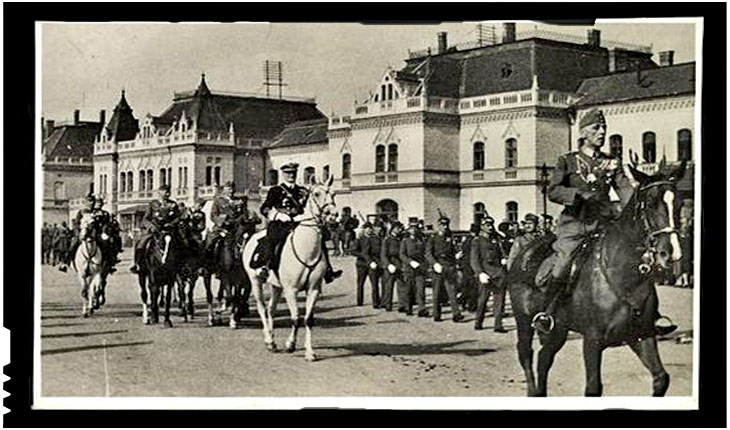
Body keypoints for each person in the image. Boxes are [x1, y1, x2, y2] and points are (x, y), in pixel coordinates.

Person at [532, 108, 674, 335]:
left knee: (636, 259)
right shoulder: (568, 161)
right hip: (575, 225)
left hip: (605, 223)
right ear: (584, 132)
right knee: (563, 263)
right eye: (596, 128)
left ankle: (652, 315)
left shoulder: (612, 162)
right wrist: (576, 195)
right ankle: (547, 313)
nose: (602, 132)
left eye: (604, 128)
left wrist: (637, 200)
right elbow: (553, 191)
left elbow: (625, 191)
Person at [250, 162, 342, 283]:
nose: (291, 176)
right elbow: (265, 208)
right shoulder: (275, 190)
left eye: (293, 173)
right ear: (283, 174)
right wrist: (278, 215)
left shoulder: (302, 191)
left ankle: (328, 270)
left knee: (318, 240)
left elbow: (309, 206)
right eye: (288, 173)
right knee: (272, 239)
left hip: (299, 222)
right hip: (280, 223)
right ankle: (264, 266)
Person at [129, 184, 180, 274]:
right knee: (141, 243)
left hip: (168, 231)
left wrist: (171, 224)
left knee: (182, 243)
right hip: (154, 231)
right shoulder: (153, 204)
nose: (167, 194)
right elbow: (146, 219)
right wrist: (151, 226)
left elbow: (177, 218)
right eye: (165, 192)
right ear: (159, 193)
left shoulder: (173, 204)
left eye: (168, 192)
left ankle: (182, 266)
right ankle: (137, 264)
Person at [471, 216, 508, 333]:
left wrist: (503, 259)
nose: (490, 227)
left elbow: (502, 252)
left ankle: (498, 324)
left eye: (491, 225)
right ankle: (478, 321)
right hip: (486, 272)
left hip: (498, 272)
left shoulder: (496, 239)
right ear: (482, 226)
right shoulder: (477, 241)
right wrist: (480, 273)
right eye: (487, 225)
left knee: (499, 300)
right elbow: (474, 259)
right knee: (483, 299)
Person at [426, 214, 464, 323]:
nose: (445, 227)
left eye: (446, 224)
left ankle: (456, 314)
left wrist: (456, 256)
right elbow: (428, 253)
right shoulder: (433, 238)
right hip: (438, 266)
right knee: (437, 292)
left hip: (449, 266)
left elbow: (453, 251)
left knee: (452, 291)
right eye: (442, 225)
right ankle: (437, 314)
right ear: (438, 225)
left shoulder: (450, 237)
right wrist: (434, 264)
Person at [58, 192, 96, 272]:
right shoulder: (81, 212)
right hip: (82, 233)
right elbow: (76, 224)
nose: (91, 203)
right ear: (86, 203)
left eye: (92, 201)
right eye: (89, 201)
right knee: (73, 244)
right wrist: (78, 233)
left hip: (94, 234)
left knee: (105, 244)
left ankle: (109, 263)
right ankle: (65, 263)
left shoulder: (96, 212)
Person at [400, 222, 428, 317]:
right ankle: (408, 307)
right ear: (408, 230)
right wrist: (410, 262)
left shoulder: (421, 240)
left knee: (421, 289)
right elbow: (402, 254)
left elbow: (425, 253)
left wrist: (425, 265)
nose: (414, 230)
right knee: (409, 289)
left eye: (415, 228)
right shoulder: (405, 241)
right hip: (409, 268)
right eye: (412, 228)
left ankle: (422, 309)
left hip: (420, 268)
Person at [93, 197, 122, 274]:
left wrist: (107, 231)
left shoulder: (105, 213)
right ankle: (67, 260)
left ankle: (112, 260)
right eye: (97, 204)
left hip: (101, 234)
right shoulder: (90, 213)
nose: (98, 205)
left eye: (100, 204)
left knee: (110, 244)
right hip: (91, 233)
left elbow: (107, 224)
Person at [380, 221, 404, 312]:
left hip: (400, 264)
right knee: (388, 286)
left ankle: (402, 305)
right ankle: (387, 304)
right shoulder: (387, 240)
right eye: (398, 228)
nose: (399, 230)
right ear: (393, 229)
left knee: (402, 286)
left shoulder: (401, 239)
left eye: (400, 228)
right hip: (390, 264)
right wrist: (388, 265)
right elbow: (383, 255)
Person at [363, 220, 384, 308]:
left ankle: (384, 301)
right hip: (374, 263)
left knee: (384, 284)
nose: (379, 229)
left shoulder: (383, 239)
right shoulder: (370, 240)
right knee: (374, 284)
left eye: (380, 227)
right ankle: (376, 302)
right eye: (377, 227)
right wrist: (370, 262)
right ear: (373, 228)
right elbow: (365, 253)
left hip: (382, 263)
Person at [352, 221, 373, 306]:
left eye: (370, 229)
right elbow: (353, 251)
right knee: (360, 283)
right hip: (361, 264)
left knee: (374, 283)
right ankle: (360, 301)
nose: (369, 230)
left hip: (371, 263)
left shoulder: (374, 239)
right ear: (364, 230)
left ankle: (376, 302)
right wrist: (362, 255)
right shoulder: (359, 240)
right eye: (367, 229)